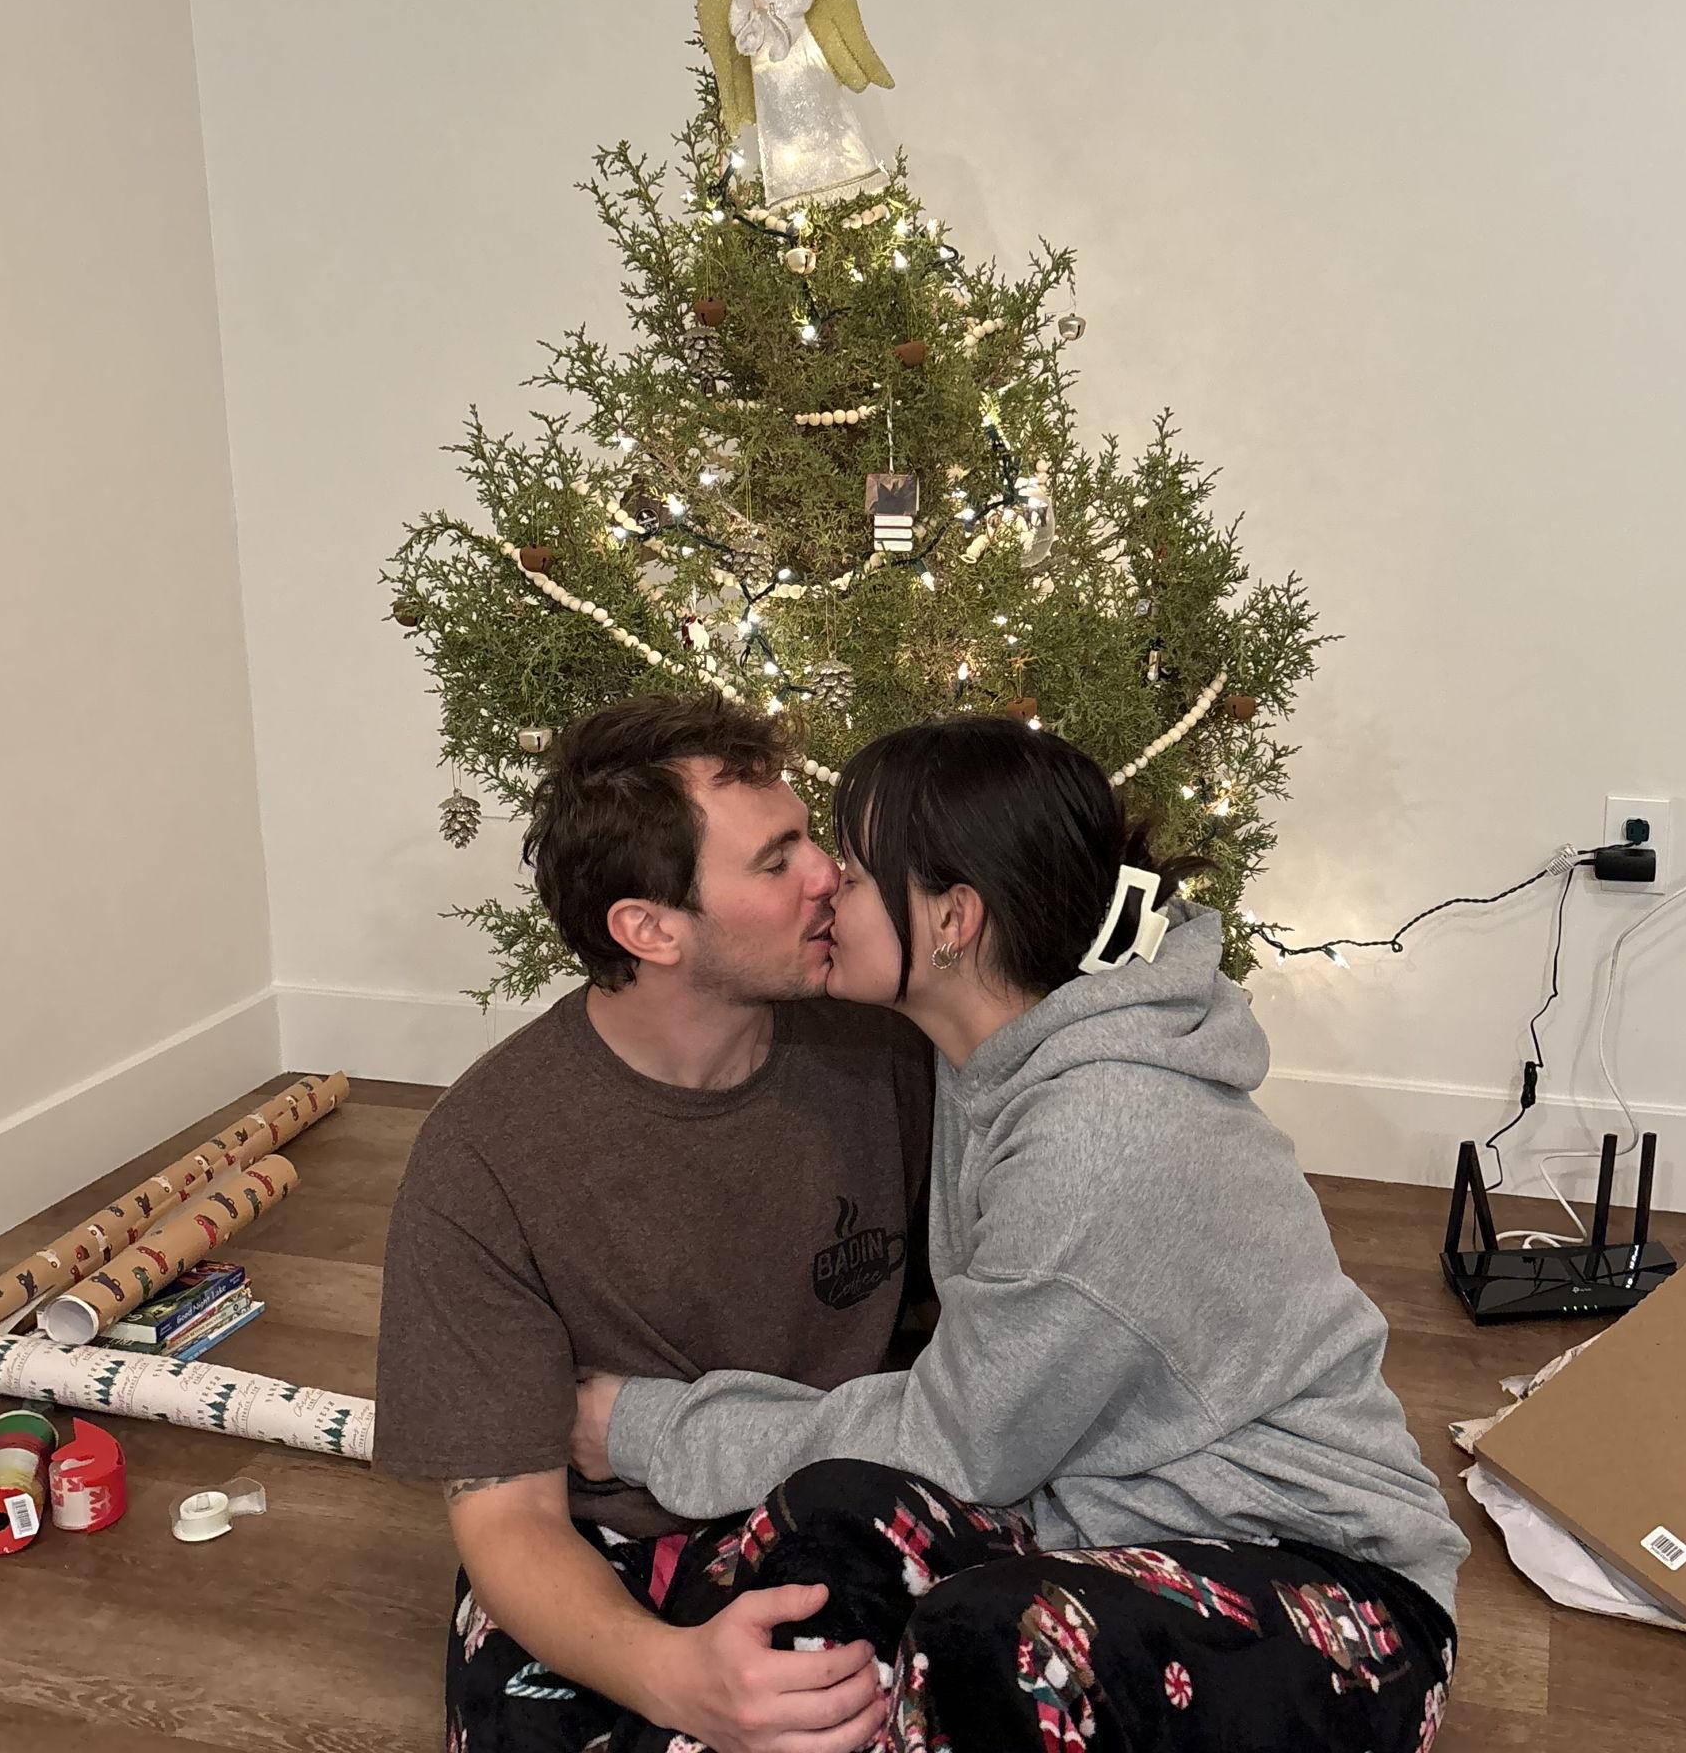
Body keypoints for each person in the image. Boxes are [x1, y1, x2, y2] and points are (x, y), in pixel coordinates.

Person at [572, 714, 1469, 1751]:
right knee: (834, 1510)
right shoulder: (988, 1044)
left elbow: (950, 1445)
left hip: (1326, 1594)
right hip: (1101, 1522)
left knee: (992, 1637)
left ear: (953, 916)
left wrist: (640, 1426)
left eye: (853, 867)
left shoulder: (1099, 1134)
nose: (818, 879)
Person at [373, 696, 934, 1753]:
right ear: (648, 927)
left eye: (810, 836)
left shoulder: (885, 1051)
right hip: (617, 1545)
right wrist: (676, 1676)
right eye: (778, 859)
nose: (830, 873)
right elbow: (508, 1515)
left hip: (851, 1493)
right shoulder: (483, 1155)